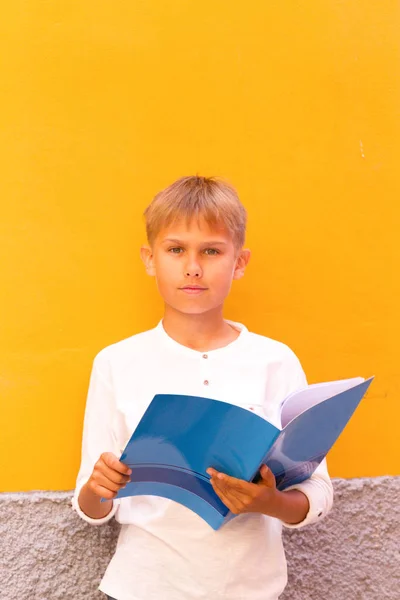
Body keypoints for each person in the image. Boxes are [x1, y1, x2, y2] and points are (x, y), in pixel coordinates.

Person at [72, 175, 334, 600]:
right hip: (144, 586)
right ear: (150, 258)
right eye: (176, 249)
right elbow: (92, 508)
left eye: (211, 251)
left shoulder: (275, 361)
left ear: (240, 262)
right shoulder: (116, 363)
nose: (193, 266)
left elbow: (317, 490)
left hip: (251, 588)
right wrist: (97, 489)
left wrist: (268, 502)